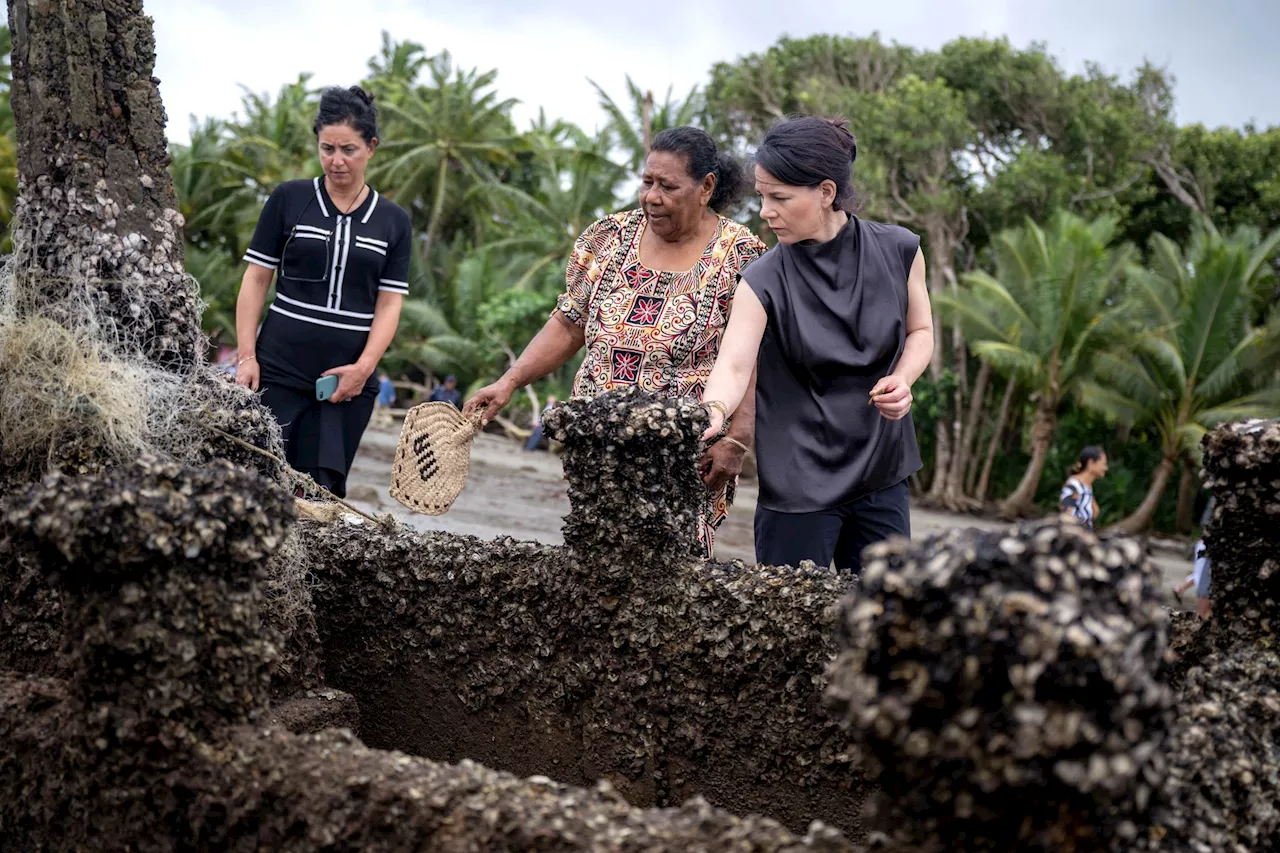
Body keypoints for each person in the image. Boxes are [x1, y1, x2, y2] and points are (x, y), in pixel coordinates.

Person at [465, 126, 768, 557]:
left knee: (673, 569)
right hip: (597, 443)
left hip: (685, 452)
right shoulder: (608, 239)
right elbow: (569, 324)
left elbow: (750, 358)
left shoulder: (740, 255)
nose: (652, 197)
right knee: (596, 560)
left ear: (706, 187)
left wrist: (737, 439)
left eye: (668, 186)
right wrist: (509, 382)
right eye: (647, 182)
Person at [699, 117, 933, 572]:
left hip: (881, 472)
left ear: (826, 192)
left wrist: (903, 380)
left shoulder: (900, 249)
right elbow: (732, 367)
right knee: (784, 632)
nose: (765, 210)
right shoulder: (762, 279)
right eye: (763, 196)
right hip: (797, 485)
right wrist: (713, 412)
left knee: (880, 622)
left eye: (780, 198)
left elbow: (920, 332)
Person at [235, 86, 411, 499]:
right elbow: (257, 278)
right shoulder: (289, 198)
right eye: (326, 148)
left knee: (318, 497)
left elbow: (389, 302)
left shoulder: (393, 221)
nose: (336, 160)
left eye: (348, 149)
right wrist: (247, 356)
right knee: (256, 487)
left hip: (346, 384)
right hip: (277, 369)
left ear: (371, 147)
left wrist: (364, 368)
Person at [1059, 446, 1108, 531]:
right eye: (1103, 464)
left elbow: (1094, 513)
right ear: (1091, 463)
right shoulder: (1074, 484)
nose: (1105, 468)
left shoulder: (1087, 486)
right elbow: (1067, 514)